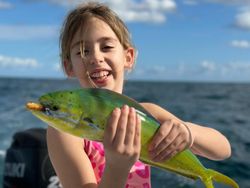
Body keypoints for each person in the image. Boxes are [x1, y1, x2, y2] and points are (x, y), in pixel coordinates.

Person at [47, 2, 231, 188]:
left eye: (107, 47)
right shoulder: (65, 131)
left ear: (128, 57)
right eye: (82, 51)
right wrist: (118, 166)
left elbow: (223, 150)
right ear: (69, 66)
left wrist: (188, 133)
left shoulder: (145, 113)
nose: (95, 57)